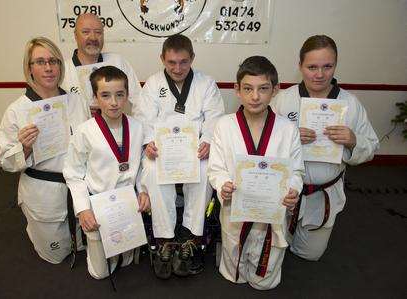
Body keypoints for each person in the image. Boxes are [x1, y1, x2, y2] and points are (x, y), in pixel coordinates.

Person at [271, 35, 379, 261]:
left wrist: (353, 140)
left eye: (327, 66)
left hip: (323, 194)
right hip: (285, 192)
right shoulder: (283, 100)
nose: (319, 74)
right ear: (300, 66)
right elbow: (260, 142)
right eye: (312, 67)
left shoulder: (350, 104)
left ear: (335, 65)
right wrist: (287, 137)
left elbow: (371, 147)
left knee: (309, 255)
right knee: (276, 247)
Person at [207, 56, 304, 290]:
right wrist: (223, 185)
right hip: (235, 210)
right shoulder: (224, 125)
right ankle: (231, 263)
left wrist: (293, 190)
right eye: (248, 89)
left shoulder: (287, 129)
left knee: (264, 282)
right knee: (234, 273)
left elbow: (297, 170)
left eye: (263, 89)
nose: (255, 96)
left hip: (272, 212)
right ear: (237, 90)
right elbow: (216, 168)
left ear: (275, 90)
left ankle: (264, 273)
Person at [134, 34, 224, 278]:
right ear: (162, 59)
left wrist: (207, 141)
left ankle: (192, 236)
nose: (177, 68)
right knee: (152, 171)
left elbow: (215, 116)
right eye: (171, 62)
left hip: (194, 150)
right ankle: (164, 237)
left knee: (205, 169)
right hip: (163, 150)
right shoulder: (153, 84)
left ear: (192, 58)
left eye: (183, 62)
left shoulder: (206, 83)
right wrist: (148, 143)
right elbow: (143, 118)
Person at [0, 37, 89, 264]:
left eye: (53, 61)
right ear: (30, 68)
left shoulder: (77, 101)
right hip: (44, 193)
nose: (48, 68)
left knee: (84, 245)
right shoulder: (17, 110)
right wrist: (25, 147)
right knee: (55, 255)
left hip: (79, 188)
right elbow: (5, 161)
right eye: (40, 62)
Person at [63, 66, 150, 279]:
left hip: (128, 202)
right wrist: (83, 209)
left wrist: (144, 191)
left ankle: (125, 252)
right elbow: (73, 173)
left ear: (127, 96)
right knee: (100, 273)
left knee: (128, 262)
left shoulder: (138, 127)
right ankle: (95, 249)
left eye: (120, 95)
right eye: (105, 95)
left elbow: (141, 167)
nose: (114, 102)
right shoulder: (85, 131)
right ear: (94, 97)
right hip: (98, 204)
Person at [61, 13, 141, 114]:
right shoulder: (62, 71)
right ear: (76, 36)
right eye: (86, 32)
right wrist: (82, 111)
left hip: (116, 127)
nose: (93, 37)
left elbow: (138, 102)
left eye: (98, 32)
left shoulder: (117, 62)